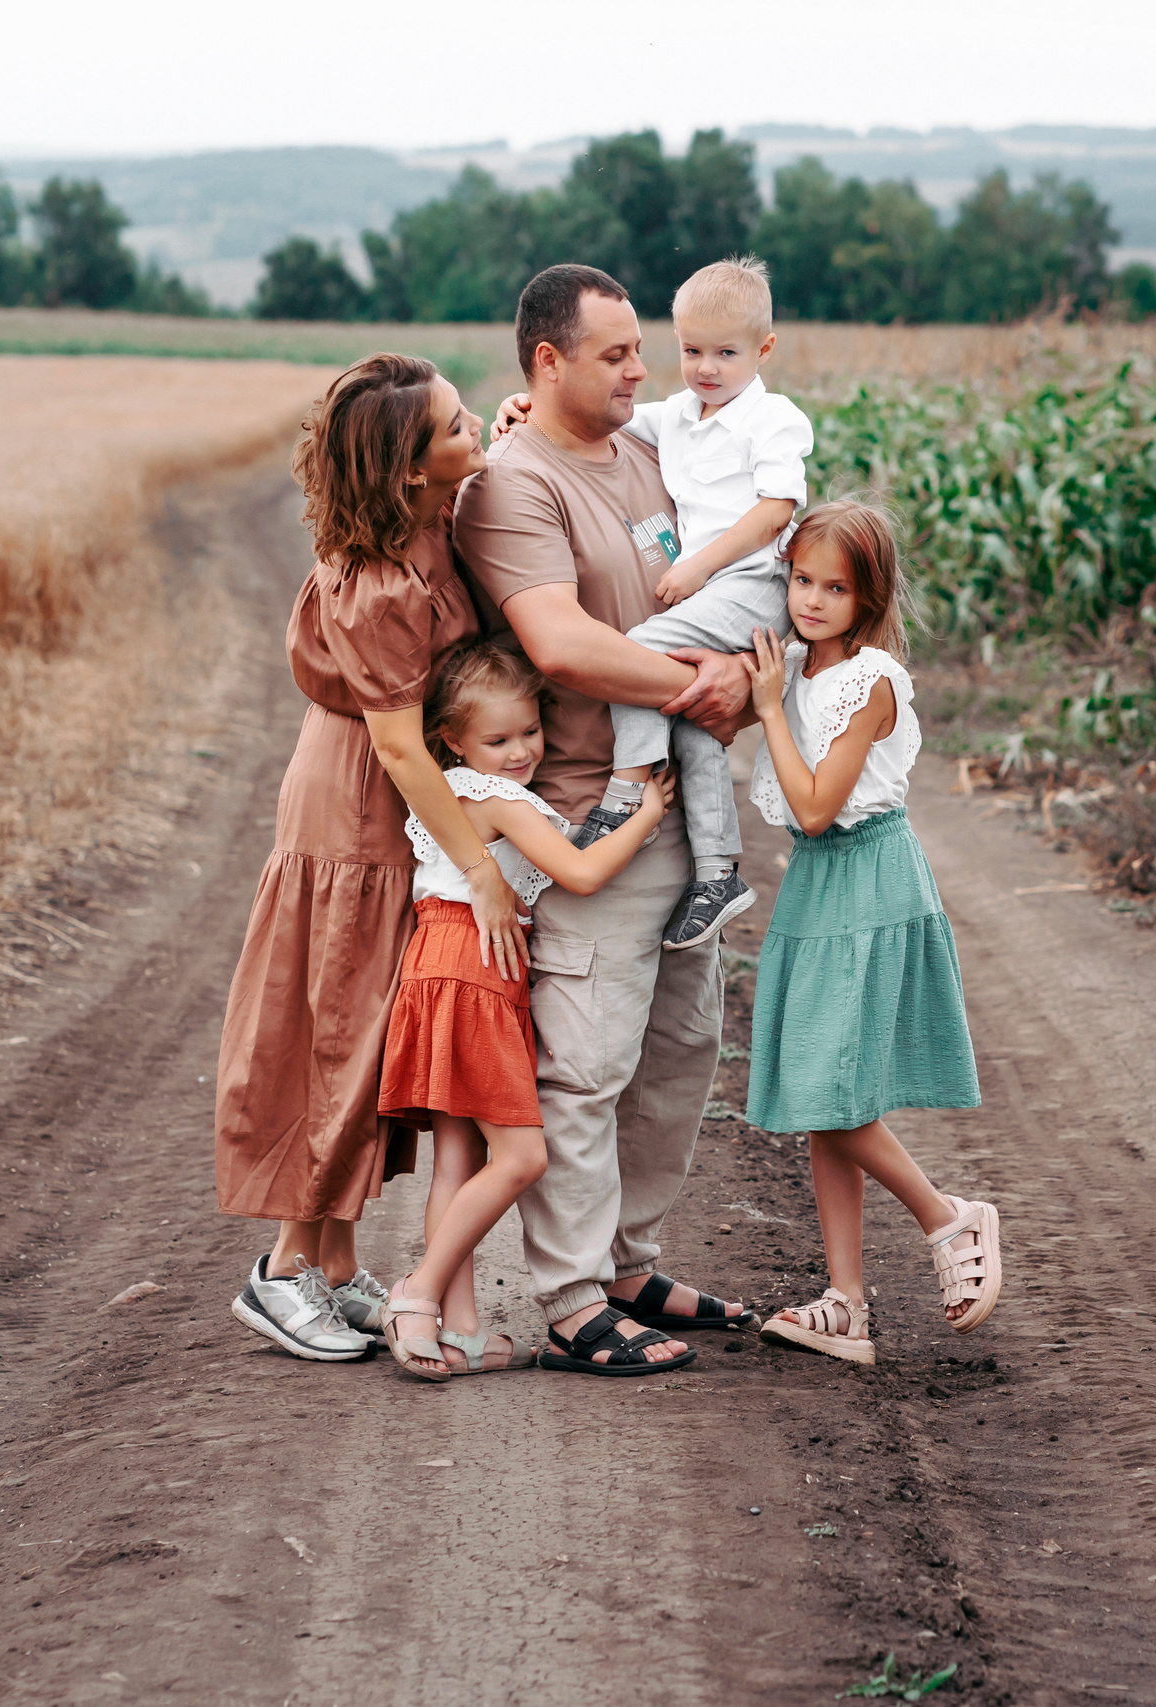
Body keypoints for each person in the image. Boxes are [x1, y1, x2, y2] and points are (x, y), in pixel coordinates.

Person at [454, 262, 755, 1375]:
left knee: (680, 1050)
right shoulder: (512, 483)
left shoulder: (646, 452)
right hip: (589, 815)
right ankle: (574, 1300)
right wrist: (698, 685)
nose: (644, 370)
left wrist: (736, 668)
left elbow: (740, 543)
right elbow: (560, 644)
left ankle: (633, 1263)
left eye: (641, 350)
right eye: (616, 353)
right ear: (545, 364)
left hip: (680, 809)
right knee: (583, 1065)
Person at [212, 354, 529, 1363]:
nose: (470, 421)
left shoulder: (432, 516)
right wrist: (480, 865)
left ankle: (334, 1270)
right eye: (451, 424)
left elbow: (496, 474)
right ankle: (278, 1270)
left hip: (399, 807)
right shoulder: (379, 582)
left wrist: (506, 434)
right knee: (340, 1037)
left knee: (374, 1037)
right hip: (357, 808)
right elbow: (397, 742)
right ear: (405, 472)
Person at [374, 640, 678, 1380]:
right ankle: (416, 1292)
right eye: (498, 738)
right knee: (522, 1156)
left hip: (439, 964)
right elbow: (577, 872)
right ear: (452, 739)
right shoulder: (504, 801)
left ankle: (466, 1329)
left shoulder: (451, 792)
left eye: (529, 732)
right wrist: (647, 813)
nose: (520, 752)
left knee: (458, 1157)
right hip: (477, 974)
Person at [741, 502, 1000, 1367]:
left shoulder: (868, 677)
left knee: (828, 1091)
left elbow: (815, 809)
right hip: (819, 888)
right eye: (801, 579)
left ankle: (947, 1216)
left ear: (869, 595)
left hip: (867, 878)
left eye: (835, 587)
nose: (811, 600)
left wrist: (769, 711)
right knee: (825, 1098)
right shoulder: (801, 671)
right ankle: (845, 1302)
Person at [494, 256, 812, 951]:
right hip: (604, 818)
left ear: (762, 351)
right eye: (689, 350)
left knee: (640, 648)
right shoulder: (674, 422)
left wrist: (702, 578)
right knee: (693, 726)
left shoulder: (770, 421)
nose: (695, 367)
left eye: (723, 353)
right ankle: (718, 867)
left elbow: (779, 512)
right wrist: (516, 409)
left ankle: (633, 791)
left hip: (750, 585)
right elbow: (560, 644)